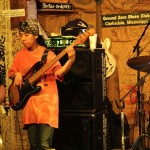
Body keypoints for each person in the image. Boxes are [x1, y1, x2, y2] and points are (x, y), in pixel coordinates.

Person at [8, 19, 76, 150]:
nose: (22, 39)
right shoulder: (19, 55)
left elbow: (59, 73)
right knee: (34, 146)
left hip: (47, 105)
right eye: (20, 35)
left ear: (35, 36)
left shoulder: (48, 55)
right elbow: (11, 73)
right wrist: (16, 74)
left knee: (45, 145)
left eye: (26, 35)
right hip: (29, 105)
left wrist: (70, 61)